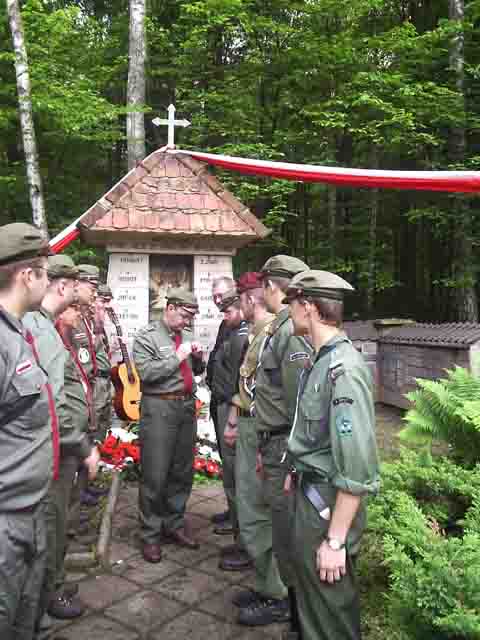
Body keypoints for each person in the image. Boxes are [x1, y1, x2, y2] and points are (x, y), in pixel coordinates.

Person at [284, 270, 380, 640]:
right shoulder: (320, 360)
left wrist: (336, 541)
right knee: (312, 605)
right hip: (311, 497)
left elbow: (356, 467)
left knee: (329, 616)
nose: (289, 310)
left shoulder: (343, 370)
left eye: (293, 303)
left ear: (308, 306)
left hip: (327, 508)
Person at [23, 255, 98, 622]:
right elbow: (52, 399)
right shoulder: (39, 327)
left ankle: (52, 584)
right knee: (51, 526)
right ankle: (47, 596)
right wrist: (82, 446)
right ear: (64, 286)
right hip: (55, 450)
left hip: (57, 447)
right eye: (75, 284)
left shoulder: (43, 324)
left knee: (56, 523)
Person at [246, 255, 312, 629]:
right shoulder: (280, 327)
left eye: (264, 286)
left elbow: (298, 402)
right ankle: (285, 599)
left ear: (272, 286)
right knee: (277, 521)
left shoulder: (290, 331)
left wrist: (289, 456)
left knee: (287, 530)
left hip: (284, 446)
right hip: (272, 442)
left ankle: (292, 609)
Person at [226, 271, 291, 625]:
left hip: (265, 428)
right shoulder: (262, 332)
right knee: (253, 509)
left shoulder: (276, 333)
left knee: (259, 511)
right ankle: (267, 584)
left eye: (242, 298)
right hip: (255, 426)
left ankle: (277, 594)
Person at [0, 222, 55, 640]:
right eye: (45, 273)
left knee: (24, 621)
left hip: (30, 513)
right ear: (26, 275)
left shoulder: (19, 331)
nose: (49, 282)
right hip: (5, 524)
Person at [133, 287, 205, 563]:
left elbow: (196, 371)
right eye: (184, 316)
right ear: (170, 308)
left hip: (185, 407)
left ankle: (174, 524)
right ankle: (150, 534)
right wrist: (177, 356)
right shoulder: (147, 336)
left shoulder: (185, 335)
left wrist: (197, 358)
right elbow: (146, 373)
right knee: (155, 473)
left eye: (191, 318)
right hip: (159, 407)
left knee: (182, 470)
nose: (187, 322)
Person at [212, 288, 250, 571]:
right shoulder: (231, 331)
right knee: (231, 476)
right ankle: (240, 538)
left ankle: (246, 544)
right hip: (224, 404)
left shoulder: (242, 337)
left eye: (228, 311)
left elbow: (241, 381)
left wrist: (233, 418)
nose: (224, 316)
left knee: (238, 480)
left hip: (232, 408)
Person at [205, 276, 235, 529]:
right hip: (219, 400)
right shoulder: (225, 323)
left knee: (234, 462)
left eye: (221, 295)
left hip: (230, 403)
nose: (218, 300)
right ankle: (232, 509)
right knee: (227, 460)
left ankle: (239, 519)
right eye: (214, 296)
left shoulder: (239, 324)